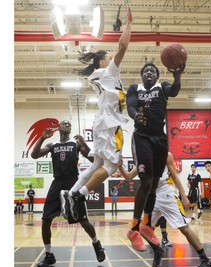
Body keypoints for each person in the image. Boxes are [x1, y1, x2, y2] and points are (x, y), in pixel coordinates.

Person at [64, 6, 133, 222]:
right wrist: (129, 23)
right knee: (111, 166)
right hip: (110, 124)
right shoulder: (108, 72)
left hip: (101, 122)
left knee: (96, 165)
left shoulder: (97, 76)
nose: (112, 60)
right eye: (109, 58)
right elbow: (122, 46)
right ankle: (79, 196)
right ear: (103, 62)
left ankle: (70, 192)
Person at [125, 59, 185, 251]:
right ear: (142, 76)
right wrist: (135, 116)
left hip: (160, 138)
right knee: (146, 181)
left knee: (154, 182)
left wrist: (177, 76)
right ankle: (134, 229)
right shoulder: (135, 88)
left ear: (157, 76)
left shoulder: (162, 87)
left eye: (152, 71)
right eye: (145, 71)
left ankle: (147, 223)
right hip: (142, 136)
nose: (148, 73)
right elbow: (131, 106)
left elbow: (174, 91)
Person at [118, 152, 211, 267]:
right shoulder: (143, 155)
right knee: (142, 228)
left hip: (166, 193)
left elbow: (175, 176)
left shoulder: (166, 154)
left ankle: (205, 260)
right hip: (151, 196)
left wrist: (183, 196)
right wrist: (120, 166)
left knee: (184, 228)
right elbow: (129, 177)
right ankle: (158, 250)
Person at [31, 120, 105, 267]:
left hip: (73, 183)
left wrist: (84, 144)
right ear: (58, 128)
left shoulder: (75, 144)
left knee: (83, 220)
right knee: (46, 220)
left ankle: (97, 244)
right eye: (64, 124)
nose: (67, 126)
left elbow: (95, 160)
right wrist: (42, 138)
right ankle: (49, 255)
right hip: (57, 183)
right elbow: (34, 155)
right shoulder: (53, 145)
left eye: (69, 125)